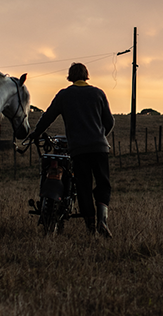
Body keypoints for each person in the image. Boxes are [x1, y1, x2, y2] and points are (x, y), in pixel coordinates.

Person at [26, 63, 115, 237]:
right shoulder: (98, 93)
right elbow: (110, 122)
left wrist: (36, 133)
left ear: (70, 77)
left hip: (78, 150)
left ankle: (91, 228)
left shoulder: (64, 95)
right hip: (99, 147)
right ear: (86, 75)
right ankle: (102, 220)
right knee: (103, 183)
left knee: (83, 187)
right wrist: (100, 136)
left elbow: (48, 117)